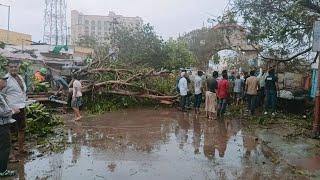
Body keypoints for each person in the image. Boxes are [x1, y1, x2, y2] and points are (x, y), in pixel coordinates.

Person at [2, 61, 27, 157]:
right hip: (11, 110)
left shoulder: (20, 77)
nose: (13, 68)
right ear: (8, 67)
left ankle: (21, 149)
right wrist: (9, 108)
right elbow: (2, 96)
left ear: (18, 67)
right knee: (11, 132)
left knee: (22, 129)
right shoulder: (5, 79)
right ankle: (10, 155)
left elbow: (22, 92)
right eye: (11, 67)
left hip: (21, 107)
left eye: (15, 67)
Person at [0, 71, 16, 177]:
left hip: (3, 123)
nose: (5, 81)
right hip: (2, 125)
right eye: (3, 79)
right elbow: (1, 112)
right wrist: (13, 111)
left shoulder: (1, 94)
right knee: (5, 147)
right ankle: (3, 171)